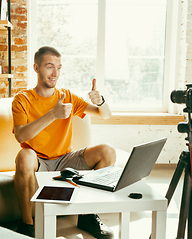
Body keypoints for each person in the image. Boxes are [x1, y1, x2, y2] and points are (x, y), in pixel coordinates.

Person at [12, 46, 116, 238]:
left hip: (65, 160)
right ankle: (27, 225)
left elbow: (106, 115)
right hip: (38, 162)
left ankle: (87, 216)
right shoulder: (22, 99)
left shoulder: (67, 96)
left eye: (59, 68)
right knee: (24, 155)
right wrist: (53, 114)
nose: (55, 73)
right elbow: (20, 136)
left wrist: (100, 101)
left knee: (107, 151)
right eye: (49, 67)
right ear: (36, 68)